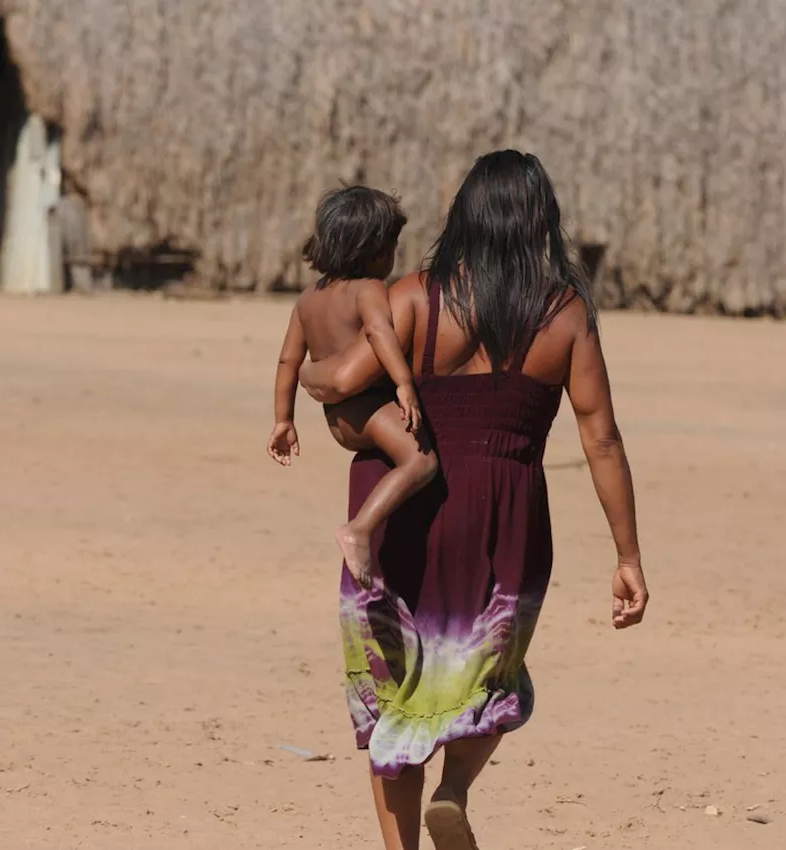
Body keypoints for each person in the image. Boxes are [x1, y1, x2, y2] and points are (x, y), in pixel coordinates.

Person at [297, 151, 649, 850]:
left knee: (396, 692)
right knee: (489, 672)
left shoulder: (413, 295)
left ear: (463, 217)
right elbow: (601, 437)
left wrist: (300, 370)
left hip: (403, 506)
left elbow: (339, 380)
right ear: (542, 222)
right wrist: (628, 556)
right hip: (506, 511)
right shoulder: (565, 315)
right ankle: (454, 788)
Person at [268, 186, 438, 586]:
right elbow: (380, 332)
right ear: (377, 251)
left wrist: (284, 420)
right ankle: (359, 529)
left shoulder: (308, 300)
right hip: (370, 410)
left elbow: (288, 361)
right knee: (422, 462)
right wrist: (403, 383)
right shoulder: (369, 289)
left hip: (338, 421)